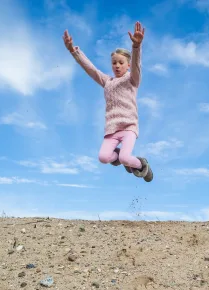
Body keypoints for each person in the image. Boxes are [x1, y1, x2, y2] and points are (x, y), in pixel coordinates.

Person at [62, 21, 153, 182]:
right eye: (114, 63)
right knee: (103, 158)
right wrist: (73, 51)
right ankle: (117, 154)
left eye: (121, 63)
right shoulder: (107, 81)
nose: (117, 66)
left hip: (128, 127)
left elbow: (137, 65)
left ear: (127, 65)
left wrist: (136, 47)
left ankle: (142, 165)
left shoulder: (132, 79)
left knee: (126, 158)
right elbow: (91, 69)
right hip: (112, 130)